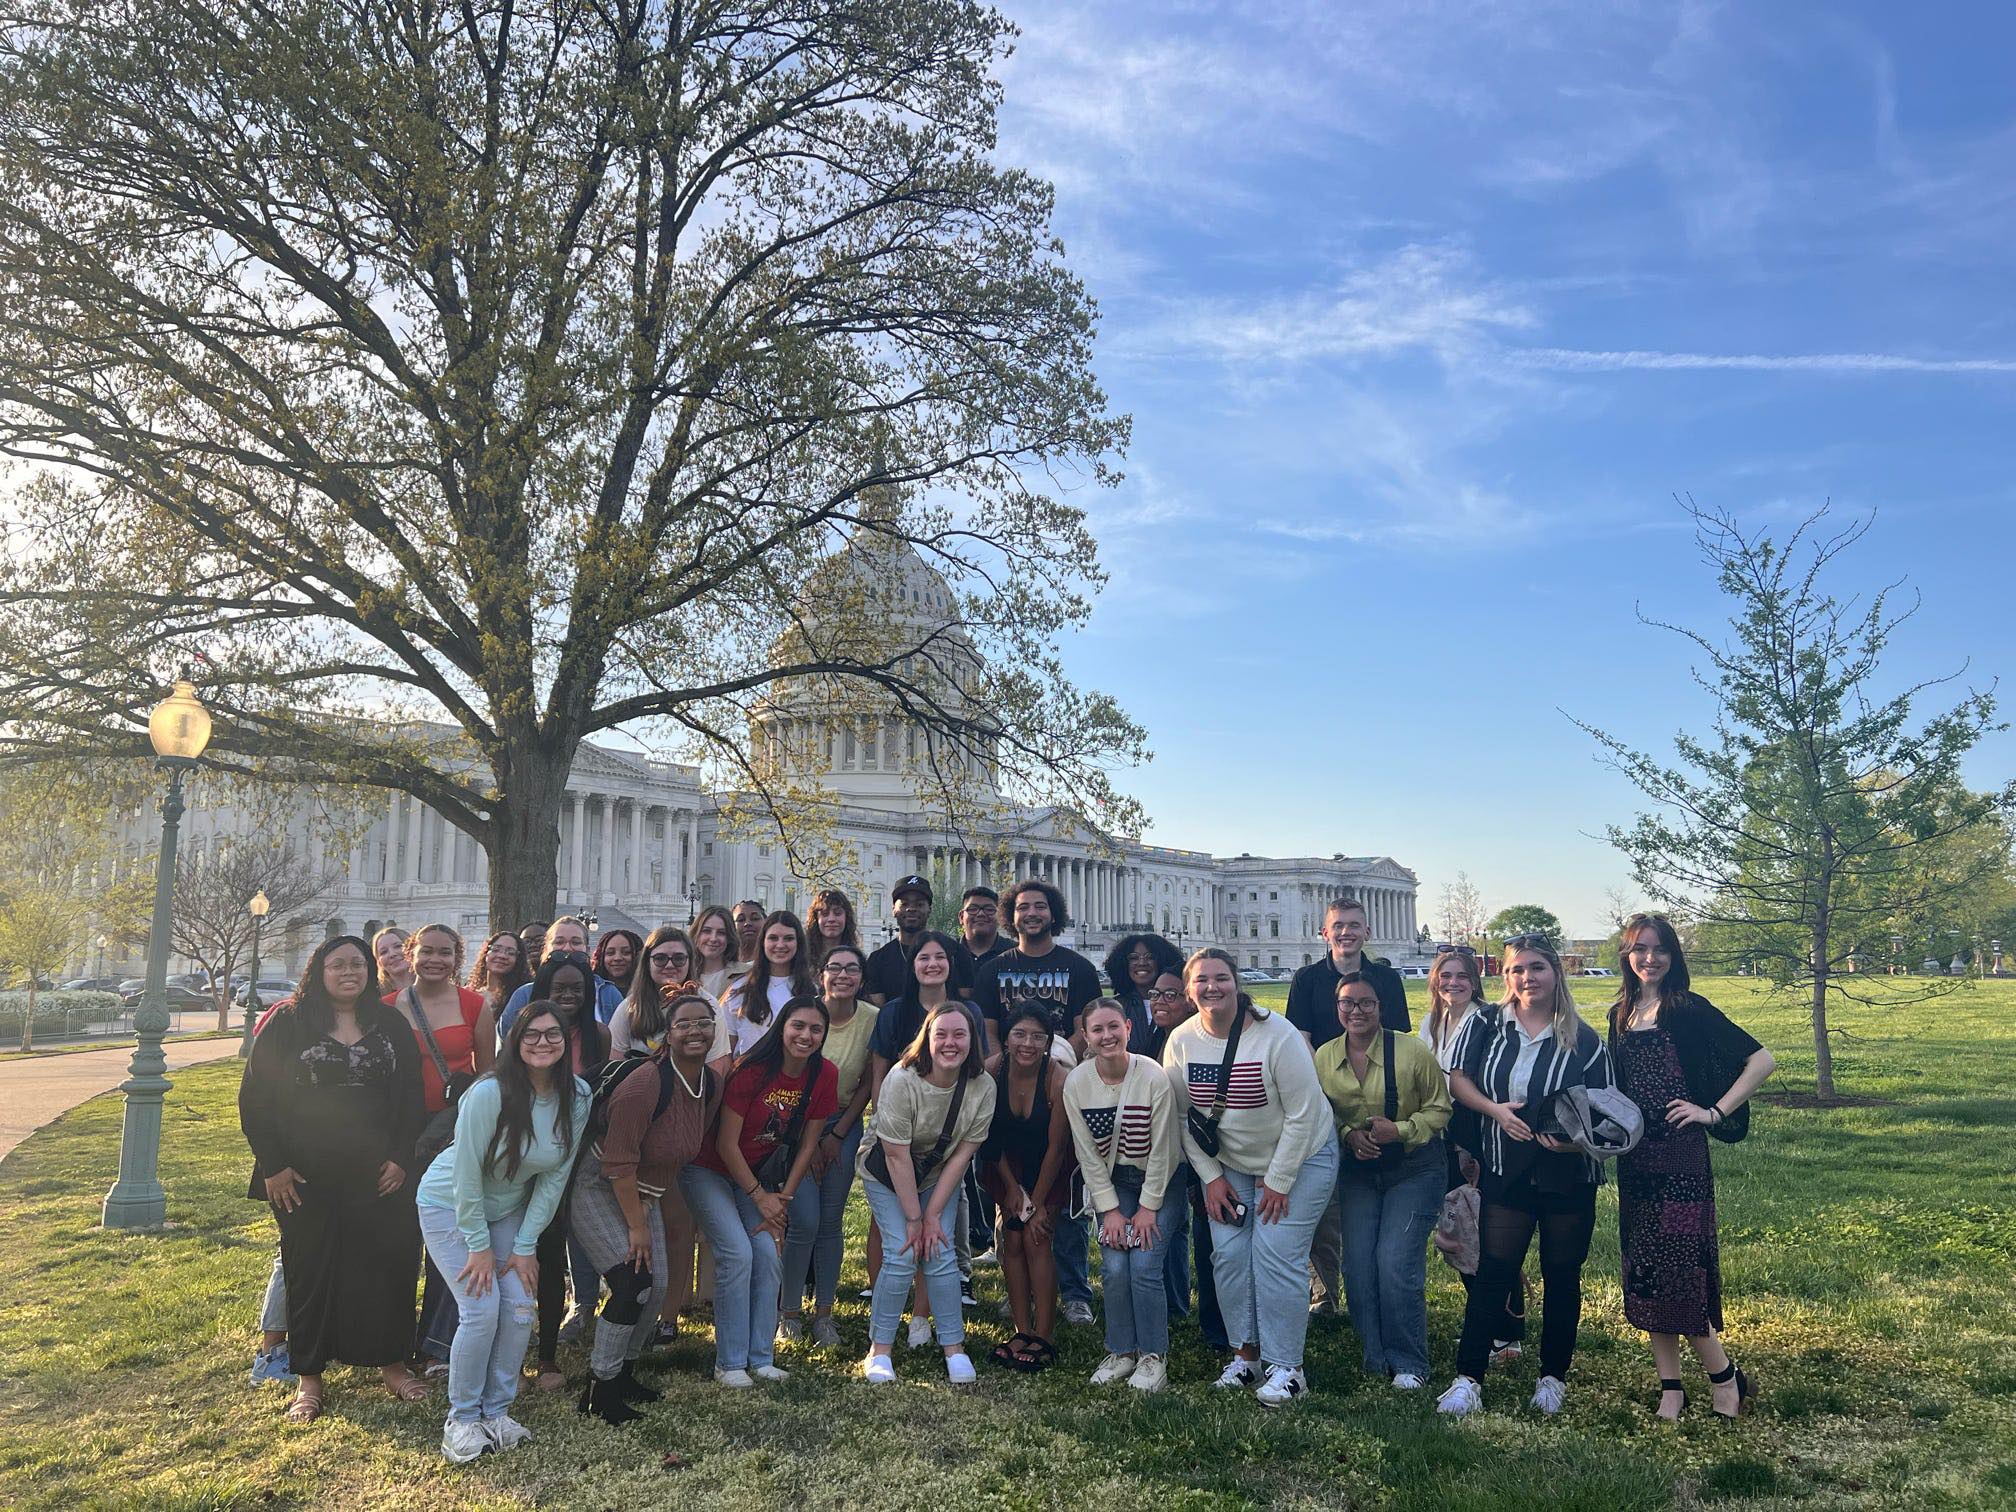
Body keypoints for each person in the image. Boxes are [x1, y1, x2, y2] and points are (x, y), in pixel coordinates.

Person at [240, 935, 428, 1422]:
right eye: (338, 964)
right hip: (303, 1175)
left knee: (388, 1262)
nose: (349, 972)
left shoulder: (390, 1023)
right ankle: (309, 1378)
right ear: (318, 971)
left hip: (380, 1172)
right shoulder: (288, 1022)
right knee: (309, 1269)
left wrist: (402, 1158)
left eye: (358, 964)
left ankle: (391, 1363)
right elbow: (256, 1099)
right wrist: (274, 1166)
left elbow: (411, 1097)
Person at [1438, 935, 1618, 1418]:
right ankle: (1468, 1378)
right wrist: (1494, 1111)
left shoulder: (1583, 1037)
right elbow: (1458, 1079)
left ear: (1556, 973)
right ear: (1505, 976)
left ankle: (1552, 1377)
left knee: (1562, 1275)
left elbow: (1607, 1108)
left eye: (1537, 968)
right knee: (1494, 1272)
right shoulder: (1487, 1022)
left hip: (1567, 1173)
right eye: (1518, 969)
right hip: (1505, 1167)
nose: (1527, 978)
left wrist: (1576, 1139)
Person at [1610, 913, 1775, 1421]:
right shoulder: (1620, 1012)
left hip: (1681, 1160)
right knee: (1647, 1269)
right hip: (1635, 1161)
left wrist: (1713, 1111)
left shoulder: (1687, 1008)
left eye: (1659, 949)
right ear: (1627, 955)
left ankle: (1726, 1378)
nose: (1649, 958)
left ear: (1673, 956)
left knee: (1680, 1271)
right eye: (1639, 949)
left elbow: (1762, 1059)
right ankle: (1671, 1387)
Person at [1163, 948, 1337, 1408]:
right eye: (1201, 980)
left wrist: (1278, 1179)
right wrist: (1211, 1177)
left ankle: (1288, 1368)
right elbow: (1181, 1118)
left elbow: (1303, 1115)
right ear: (1188, 990)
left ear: (1237, 984)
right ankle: (1247, 1355)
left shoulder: (1276, 1035)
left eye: (1221, 978)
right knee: (1230, 1255)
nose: (1212, 988)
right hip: (1230, 1162)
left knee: (1276, 1253)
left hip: (1302, 1155)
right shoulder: (1181, 1040)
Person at [416, 1001, 589, 1462]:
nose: (543, 1042)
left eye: (553, 1034)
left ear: (565, 1041)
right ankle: (462, 1421)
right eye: (531, 1033)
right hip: (449, 1205)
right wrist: (478, 1246)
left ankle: (496, 1413)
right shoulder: (489, 1093)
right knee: (481, 1309)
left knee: (517, 1306)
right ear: (514, 1039)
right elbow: (466, 1174)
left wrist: (526, 1245)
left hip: (509, 1209)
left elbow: (555, 1178)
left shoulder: (580, 1096)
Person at [569, 993, 722, 1425]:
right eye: (684, 1024)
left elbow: (675, 1148)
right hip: (600, 1182)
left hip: (643, 1188)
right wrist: (637, 1228)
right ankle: (599, 1391)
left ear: (716, 1030)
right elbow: (617, 1161)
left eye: (703, 1023)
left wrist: (645, 1209)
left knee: (656, 1288)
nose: (695, 1031)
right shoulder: (646, 1084)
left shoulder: (709, 1082)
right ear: (667, 1036)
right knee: (632, 1281)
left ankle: (624, 1374)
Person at [681, 998, 837, 1386]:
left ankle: (761, 1357)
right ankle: (730, 1363)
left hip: (760, 1181)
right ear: (782, 1027)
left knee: (767, 1256)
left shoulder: (824, 1075)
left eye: (816, 1029)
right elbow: (725, 1144)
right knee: (737, 1253)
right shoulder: (751, 1070)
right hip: (709, 1169)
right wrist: (760, 1198)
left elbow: (807, 1145)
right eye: (798, 1026)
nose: (806, 1036)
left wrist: (782, 1198)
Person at [971, 878, 1104, 1326]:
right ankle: (1019, 1289)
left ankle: (1074, 1290)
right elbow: (989, 1029)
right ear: (1012, 915)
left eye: (1040, 907)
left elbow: (1089, 1028)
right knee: (1007, 1191)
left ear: (1054, 914)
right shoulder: (993, 969)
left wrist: (1064, 1064)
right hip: (1007, 1080)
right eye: (1023, 907)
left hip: (1061, 1077)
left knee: (1064, 1192)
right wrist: (999, 1068)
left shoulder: (1078, 968)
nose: (1031, 913)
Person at [1315, 973, 1452, 1390]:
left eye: (1366, 1003)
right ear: (1336, 1008)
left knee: (1394, 1262)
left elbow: (1440, 1109)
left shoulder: (1411, 1052)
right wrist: (1348, 1135)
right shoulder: (1324, 1057)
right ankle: (1375, 1355)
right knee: (1357, 1266)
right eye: (1347, 1003)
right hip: (1359, 1173)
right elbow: (1322, 1112)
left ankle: (1409, 1362)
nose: (1356, 1011)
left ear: (1381, 1007)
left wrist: (1402, 1130)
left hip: (1414, 1167)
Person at [859, 1003, 997, 1385]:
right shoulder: (902, 1079)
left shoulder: (983, 1086)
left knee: (939, 1253)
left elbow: (962, 1156)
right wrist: (915, 1219)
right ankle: (880, 1350)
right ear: (927, 1038)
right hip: (887, 1173)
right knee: (903, 1253)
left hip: (939, 1173)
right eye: (942, 1035)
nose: (950, 1043)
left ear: (972, 1040)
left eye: (959, 1035)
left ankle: (954, 1347)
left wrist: (933, 1215)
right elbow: (895, 1154)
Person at [1289, 897, 1410, 1318]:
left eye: (1354, 925)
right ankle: (1324, 1294)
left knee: (1368, 1199)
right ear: (1325, 932)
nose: (1346, 932)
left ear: (1367, 932)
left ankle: (1372, 1291)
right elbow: (1300, 1039)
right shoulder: (1306, 979)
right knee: (1322, 1202)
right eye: (1338, 925)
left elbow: (1398, 1039)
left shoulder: (1387, 979)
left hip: (1378, 1098)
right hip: (1322, 1098)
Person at [389, 924, 497, 1374]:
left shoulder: (476, 1005)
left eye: (445, 953)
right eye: (427, 951)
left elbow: (489, 1076)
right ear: (410, 955)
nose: (435, 960)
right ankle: (391, 1339)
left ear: (458, 958)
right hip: (398, 1132)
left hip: (453, 1131)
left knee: (449, 1238)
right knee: (398, 1238)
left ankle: (437, 1343)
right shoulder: (386, 1009)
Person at [1067, 998, 1181, 1393]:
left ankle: (1153, 1356)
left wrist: (1148, 1208)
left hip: (1160, 1182)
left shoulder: (1152, 1076)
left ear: (1129, 1028)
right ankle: (1121, 1351)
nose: (1107, 1036)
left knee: (1145, 1265)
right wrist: (1110, 1211)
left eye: (1113, 1027)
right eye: (1097, 1030)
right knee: (1115, 1267)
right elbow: (1087, 1154)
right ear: (1086, 1036)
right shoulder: (1077, 1083)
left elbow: (1165, 1149)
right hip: (1114, 1185)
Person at [1422, 946, 1526, 1364]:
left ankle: (1509, 1334)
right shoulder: (1432, 1023)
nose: (1453, 983)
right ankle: (1488, 1322)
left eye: (1461, 976)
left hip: (1479, 1138)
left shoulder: (1487, 1020)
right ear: (1435, 981)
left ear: (1475, 980)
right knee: (1461, 1233)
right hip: (1443, 1138)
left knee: (1491, 1236)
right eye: (1445, 976)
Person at [779, 945, 877, 1349]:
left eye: (851, 968)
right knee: (802, 1220)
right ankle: (788, 1313)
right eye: (834, 967)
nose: (842, 975)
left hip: (843, 1123)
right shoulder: (808, 1017)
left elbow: (869, 1081)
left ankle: (824, 1314)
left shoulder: (872, 1019)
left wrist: (837, 1136)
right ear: (822, 974)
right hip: (799, 1128)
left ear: (861, 977)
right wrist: (814, 1138)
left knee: (830, 1221)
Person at [523, 951, 612, 1388]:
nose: (569, 995)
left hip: (575, 1159)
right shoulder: (528, 1029)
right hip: (526, 1160)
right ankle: (515, 1342)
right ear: (544, 990)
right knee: (524, 1254)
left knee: (554, 1253)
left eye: (578, 988)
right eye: (560, 988)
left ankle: (548, 1355)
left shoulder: (598, 1034)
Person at [981, 1006, 1071, 1373]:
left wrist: (1036, 1200)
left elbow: (1057, 1147)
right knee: (1012, 1240)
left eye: (1038, 1036)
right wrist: (1012, 1189)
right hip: (1005, 1164)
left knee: (1037, 1237)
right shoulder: (990, 1071)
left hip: (1048, 1166)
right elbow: (988, 1138)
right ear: (1006, 1037)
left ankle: (1044, 1335)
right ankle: (1022, 1329)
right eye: (1020, 1034)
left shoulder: (1057, 1078)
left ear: (1048, 1043)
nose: (1028, 1043)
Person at [1141, 968, 1226, 1351]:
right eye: (1155, 995)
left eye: (1170, 995)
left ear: (1189, 1000)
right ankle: (1181, 1308)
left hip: (1204, 1155)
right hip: (1170, 1154)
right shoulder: (1156, 1037)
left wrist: (1197, 1177)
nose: (1160, 1002)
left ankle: (1217, 1327)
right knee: (1176, 1234)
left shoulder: (1196, 1041)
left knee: (1211, 1241)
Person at [716, 910, 817, 1066]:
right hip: (748, 1078)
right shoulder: (739, 990)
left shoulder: (811, 991)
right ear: (763, 942)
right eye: (773, 938)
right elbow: (725, 1050)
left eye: (788, 938)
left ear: (799, 943)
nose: (780, 945)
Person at [499, 917, 625, 1035]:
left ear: (587, 949)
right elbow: (506, 1043)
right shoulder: (523, 994)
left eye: (575, 942)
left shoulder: (609, 994)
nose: (567, 948)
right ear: (546, 949)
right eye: (559, 942)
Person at [608, 927, 695, 1058]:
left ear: (689, 961)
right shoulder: (629, 1008)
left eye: (679, 958)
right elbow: (615, 1062)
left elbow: (717, 1064)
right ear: (647, 963)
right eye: (660, 959)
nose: (670, 965)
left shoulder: (708, 1003)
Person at [1102, 932, 1185, 1055]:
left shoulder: (1182, 1003)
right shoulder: (1114, 1008)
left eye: (1150, 957)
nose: (1142, 963)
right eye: (1133, 958)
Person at [864, 874, 934, 1005]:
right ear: (893, 910)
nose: (911, 909)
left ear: (929, 909)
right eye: (904, 903)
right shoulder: (877, 960)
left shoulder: (949, 954)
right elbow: (880, 1010)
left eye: (919, 904)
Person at [953, 885, 1011, 993]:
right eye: (973, 909)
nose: (980, 914)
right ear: (961, 917)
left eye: (989, 909)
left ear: (999, 916)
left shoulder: (1014, 954)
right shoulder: (948, 953)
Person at [468, 931, 533, 1019]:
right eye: (496, 949)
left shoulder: (523, 996)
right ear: (486, 954)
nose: (502, 956)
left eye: (510, 952)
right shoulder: (468, 993)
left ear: (518, 960)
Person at [690, 903, 744, 1002]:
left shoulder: (745, 974)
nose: (713, 939)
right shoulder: (683, 975)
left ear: (729, 938)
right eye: (707, 931)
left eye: (721, 933)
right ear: (696, 934)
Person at [807, 888, 862, 967]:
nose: (831, 919)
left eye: (837, 913)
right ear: (816, 919)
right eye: (825, 914)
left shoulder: (857, 959)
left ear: (847, 918)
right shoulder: (802, 958)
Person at [593, 928, 642, 1002]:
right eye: (610, 953)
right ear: (601, 957)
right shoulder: (591, 989)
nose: (617, 958)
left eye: (626, 952)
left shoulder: (650, 990)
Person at [373, 926, 415, 997]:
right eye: (384, 952)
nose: (392, 954)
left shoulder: (436, 989)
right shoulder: (375, 998)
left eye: (398, 946)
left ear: (412, 949)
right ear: (379, 963)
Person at [732, 900, 766, 964]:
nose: (747, 923)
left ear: (766, 922)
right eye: (741, 920)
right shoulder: (723, 964)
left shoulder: (774, 963)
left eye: (755, 918)